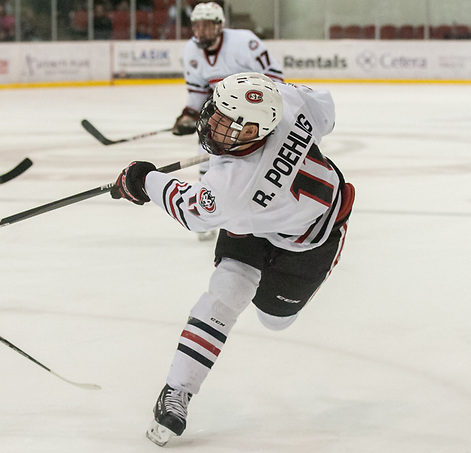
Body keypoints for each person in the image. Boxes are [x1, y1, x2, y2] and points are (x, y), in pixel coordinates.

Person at [110, 72, 355, 447]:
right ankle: (177, 392)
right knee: (226, 292)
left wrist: (141, 180)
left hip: (310, 239)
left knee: (274, 320)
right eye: (218, 115)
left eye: (231, 126)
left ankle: (273, 299)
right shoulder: (287, 103)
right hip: (256, 221)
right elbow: (326, 109)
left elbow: (190, 209)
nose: (216, 126)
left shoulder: (231, 193)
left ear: (258, 131)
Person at [172, 2, 285, 240]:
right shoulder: (190, 51)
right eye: (196, 26)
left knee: (259, 161)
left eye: (206, 26)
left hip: (255, 112)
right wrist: (188, 115)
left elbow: (275, 79)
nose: (200, 31)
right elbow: (198, 92)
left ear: (219, 26)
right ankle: (209, 211)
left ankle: (265, 212)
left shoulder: (245, 42)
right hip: (223, 113)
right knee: (208, 154)